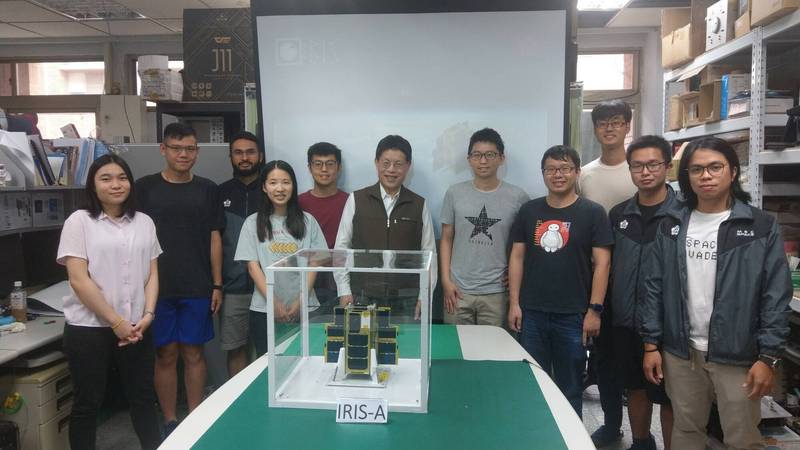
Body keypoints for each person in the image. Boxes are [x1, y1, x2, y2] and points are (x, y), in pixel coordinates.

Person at [641, 137, 792, 450]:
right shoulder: (671, 223)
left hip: (738, 354)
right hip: (681, 352)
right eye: (696, 169)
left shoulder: (760, 226)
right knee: (686, 429)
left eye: (715, 167)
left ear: (732, 172)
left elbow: (775, 295)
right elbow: (653, 286)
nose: (705, 176)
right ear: (687, 176)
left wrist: (768, 357)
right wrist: (651, 344)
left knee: (742, 437)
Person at [57, 154, 161, 449]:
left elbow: (152, 273)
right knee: (88, 403)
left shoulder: (144, 222)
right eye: (106, 178)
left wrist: (148, 314)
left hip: (137, 327)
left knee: (143, 398)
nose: (116, 184)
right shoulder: (79, 221)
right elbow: (79, 280)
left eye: (122, 178)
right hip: (89, 328)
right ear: (93, 185)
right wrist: (116, 322)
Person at [508, 145, 613, 416]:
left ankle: (570, 436)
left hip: (573, 315)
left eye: (565, 168)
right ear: (543, 173)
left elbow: (602, 264)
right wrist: (514, 303)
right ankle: (536, 434)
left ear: (577, 172)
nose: (558, 175)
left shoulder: (593, 212)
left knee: (570, 387)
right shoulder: (529, 211)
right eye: (551, 169)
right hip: (532, 312)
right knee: (533, 383)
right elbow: (517, 257)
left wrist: (595, 311)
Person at [135, 123, 224, 437]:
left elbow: (215, 238)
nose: (183, 154)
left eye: (189, 149)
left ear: (197, 152)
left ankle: (196, 419)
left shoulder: (208, 189)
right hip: (156, 287)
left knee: (194, 352)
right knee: (166, 354)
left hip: (197, 285)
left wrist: (217, 284)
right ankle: (171, 420)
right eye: (176, 148)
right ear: (163, 150)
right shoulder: (144, 188)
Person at [608, 136, 678, 450]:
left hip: (669, 324)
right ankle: (640, 443)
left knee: (670, 396)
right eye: (637, 166)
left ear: (667, 166)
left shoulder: (683, 214)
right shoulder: (619, 215)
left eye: (652, 164)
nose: (645, 172)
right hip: (625, 320)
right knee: (634, 387)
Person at [579, 100, 637, 447]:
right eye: (603, 123)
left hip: (638, 280)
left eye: (617, 121)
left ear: (627, 125)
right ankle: (612, 424)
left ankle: (642, 434)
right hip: (597, 280)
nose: (610, 128)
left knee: (640, 359)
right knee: (605, 359)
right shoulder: (585, 174)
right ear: (595, 128)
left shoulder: (639, 169)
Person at [334, 134, 437, 320]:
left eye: (398, 164)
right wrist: (344, 290)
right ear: (376, 163)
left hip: (407, 298)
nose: (391, 170)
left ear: (408, 166)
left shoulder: (419, 205)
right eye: (386, 163)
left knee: (407, 340)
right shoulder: (356, 200)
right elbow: (341, 249)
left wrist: (424, 295)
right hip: (362, 295)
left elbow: (429, 256)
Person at [234, 160, 326, 356]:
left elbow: (314, 264)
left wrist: (300, 300)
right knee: (268, 362)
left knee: (305, 360)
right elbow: (253, 267)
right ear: (264, 187)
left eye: (286, 182)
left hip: (305, 307)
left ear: (293, 185)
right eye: (273, 182)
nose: (280, 188)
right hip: (264, 309)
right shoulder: (252, 223)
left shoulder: (308, 221)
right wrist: (273, 302)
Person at [440, 128, 528, 327]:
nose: (483, 161)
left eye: (490, 155)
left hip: (497, 293)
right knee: (456, 344)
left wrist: (515, 278)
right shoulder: (454, 193)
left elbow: (524, 245)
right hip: (457, 290)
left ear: (501, 158)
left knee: (495, 346)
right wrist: (446, 280)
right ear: (469, 159)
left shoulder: (518, 197)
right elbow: (446, 238)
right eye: (477, 155)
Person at [218, 131, 263, 377]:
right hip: (233, 288)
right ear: (230, 157)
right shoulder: (219, 193)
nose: (244, 158)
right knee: (236, 350)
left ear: (260, 156)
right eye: (238, 153)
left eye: (250, 152)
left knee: (269, 349)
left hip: (267, 288)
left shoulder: (271, 191)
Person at [298, 142, 349, 321]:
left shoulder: (351, 202)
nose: (324, 169)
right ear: (309, 168)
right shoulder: (297, 203)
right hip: (306, 283)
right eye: (318, 164)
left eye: (330, 163)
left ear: (339, 167)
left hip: (340, 283)